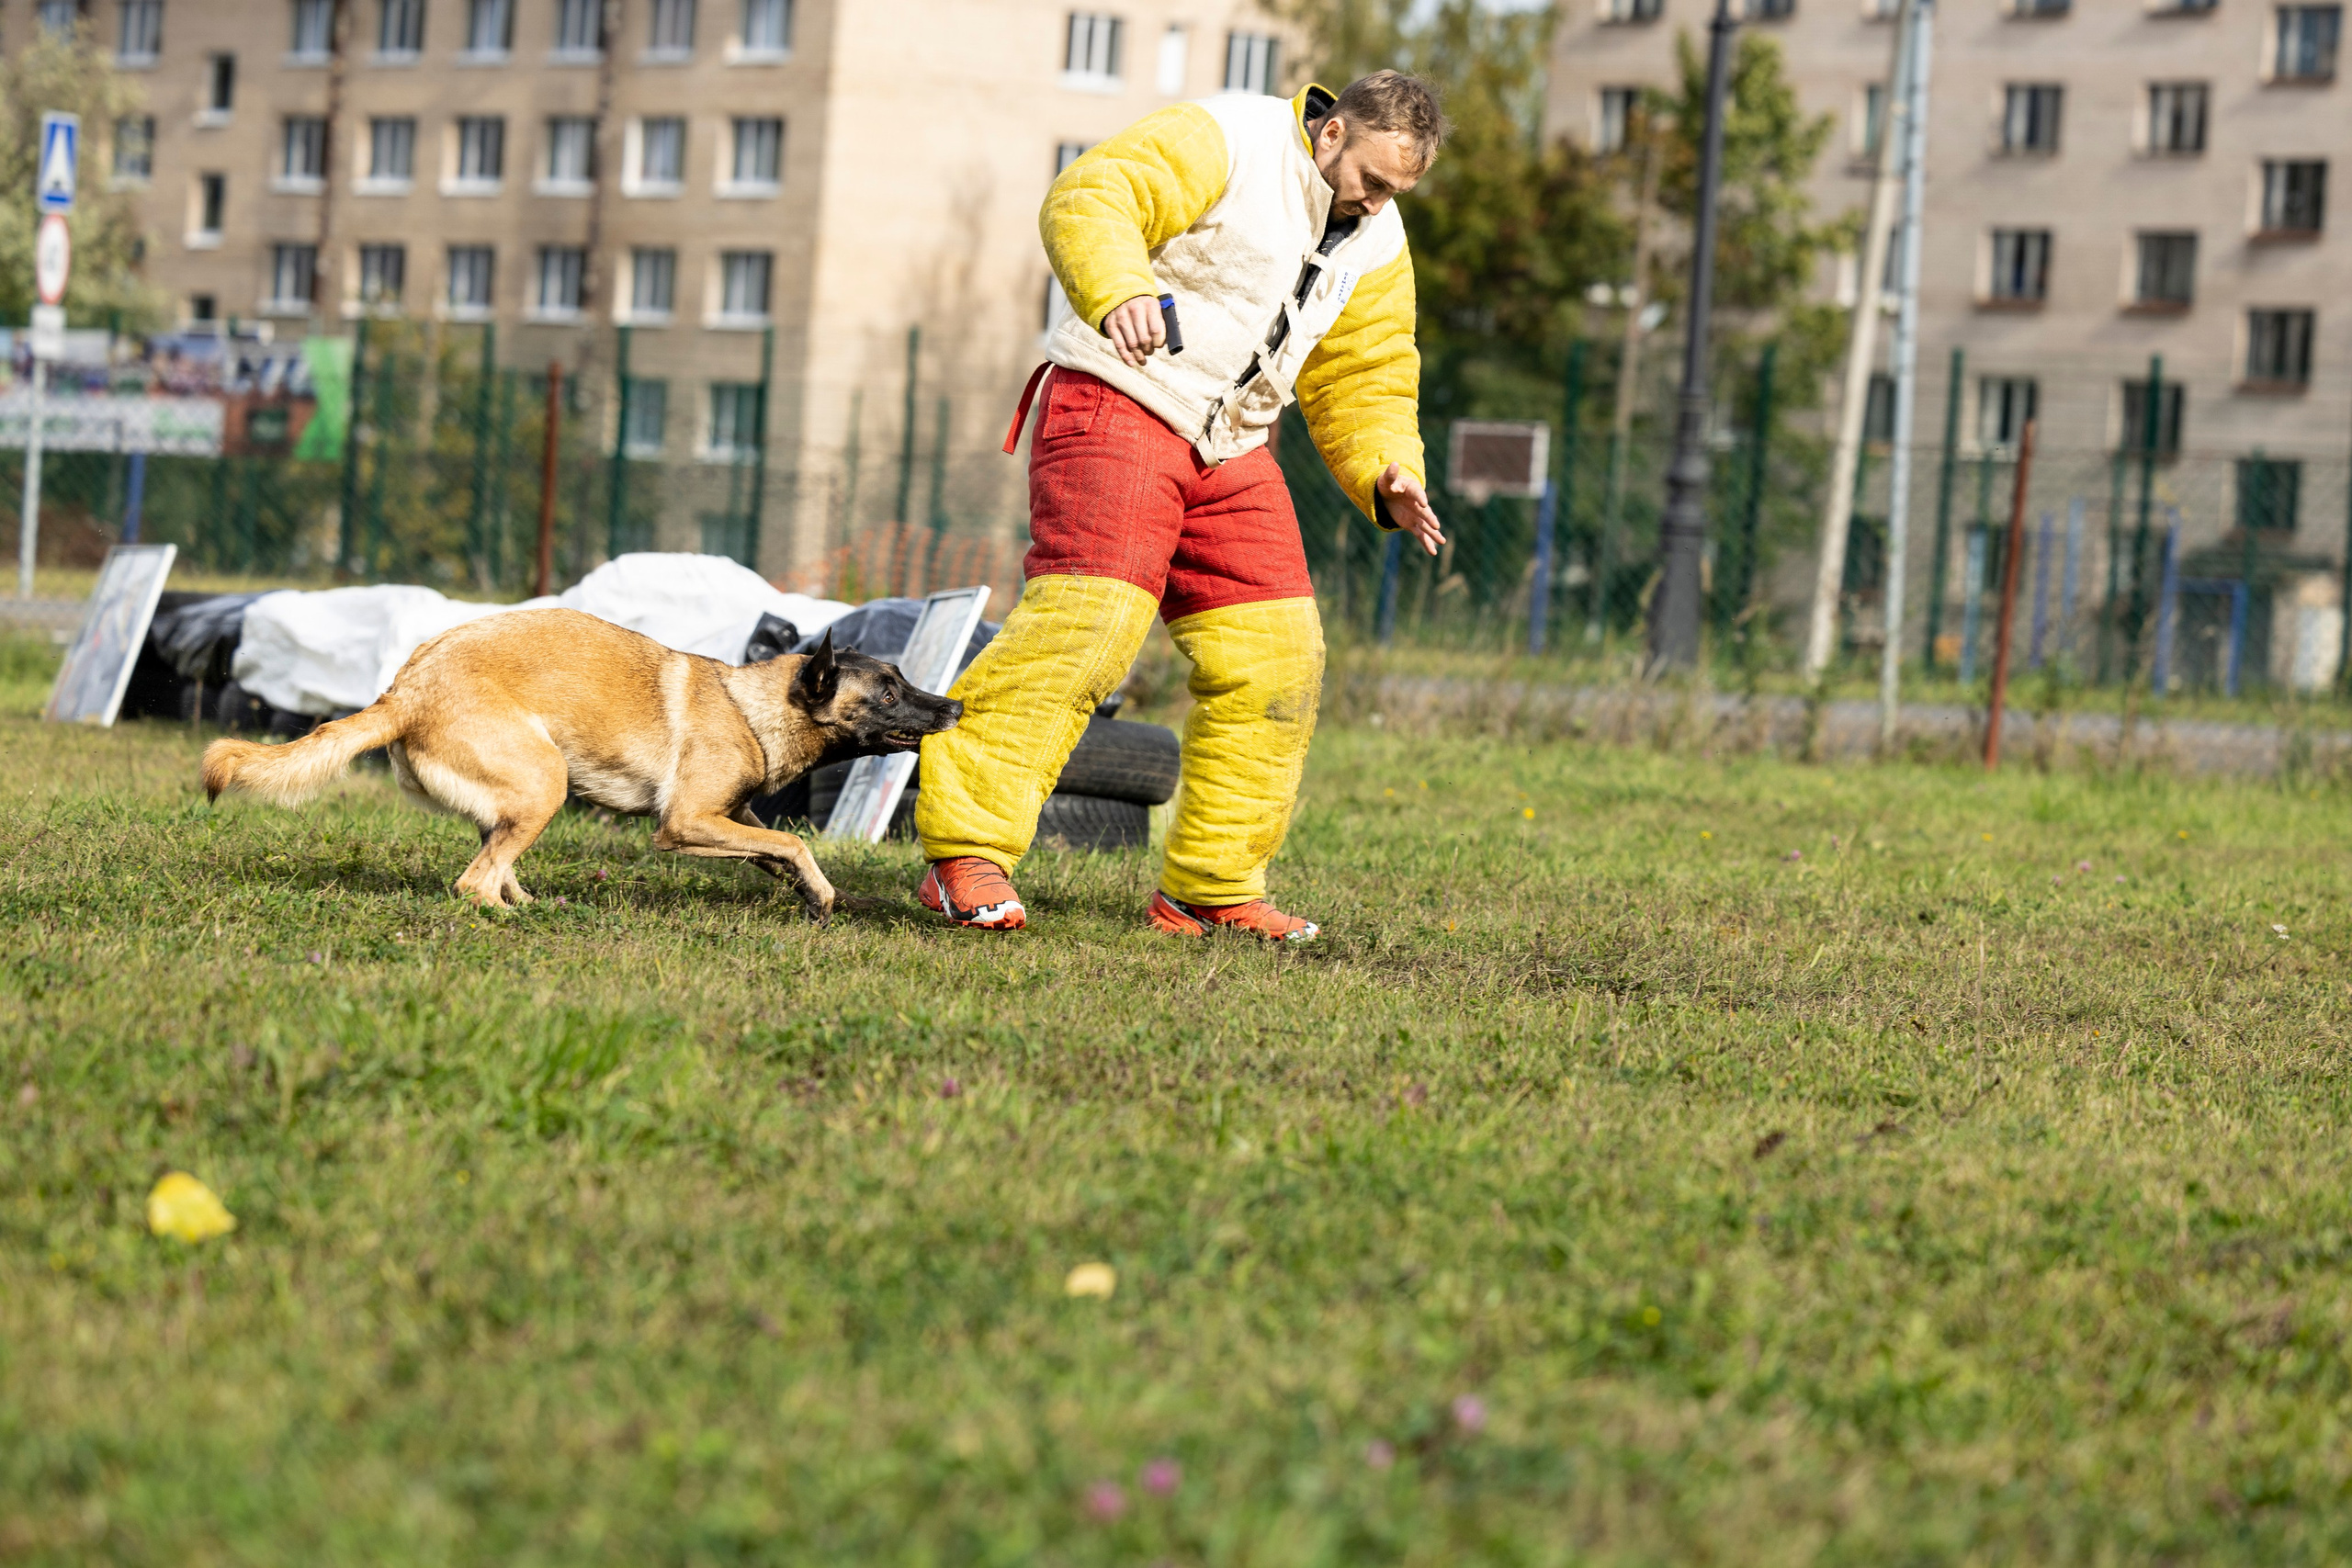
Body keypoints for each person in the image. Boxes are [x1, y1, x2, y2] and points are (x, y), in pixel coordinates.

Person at [913, 70, 1449, 940]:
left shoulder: (1378, 242)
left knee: (1279, 659)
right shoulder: (1228, 137)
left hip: (1231, 442)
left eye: (1400, 192)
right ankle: (965, 856)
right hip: (1121, 397)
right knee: (1090, 626)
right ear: (1332, 134)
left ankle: (1211, 889)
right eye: (1375, 182)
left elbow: (1367, 371)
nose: (1381, 205)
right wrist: (1120, 287)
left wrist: (1390, 469)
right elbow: (1095, 194)